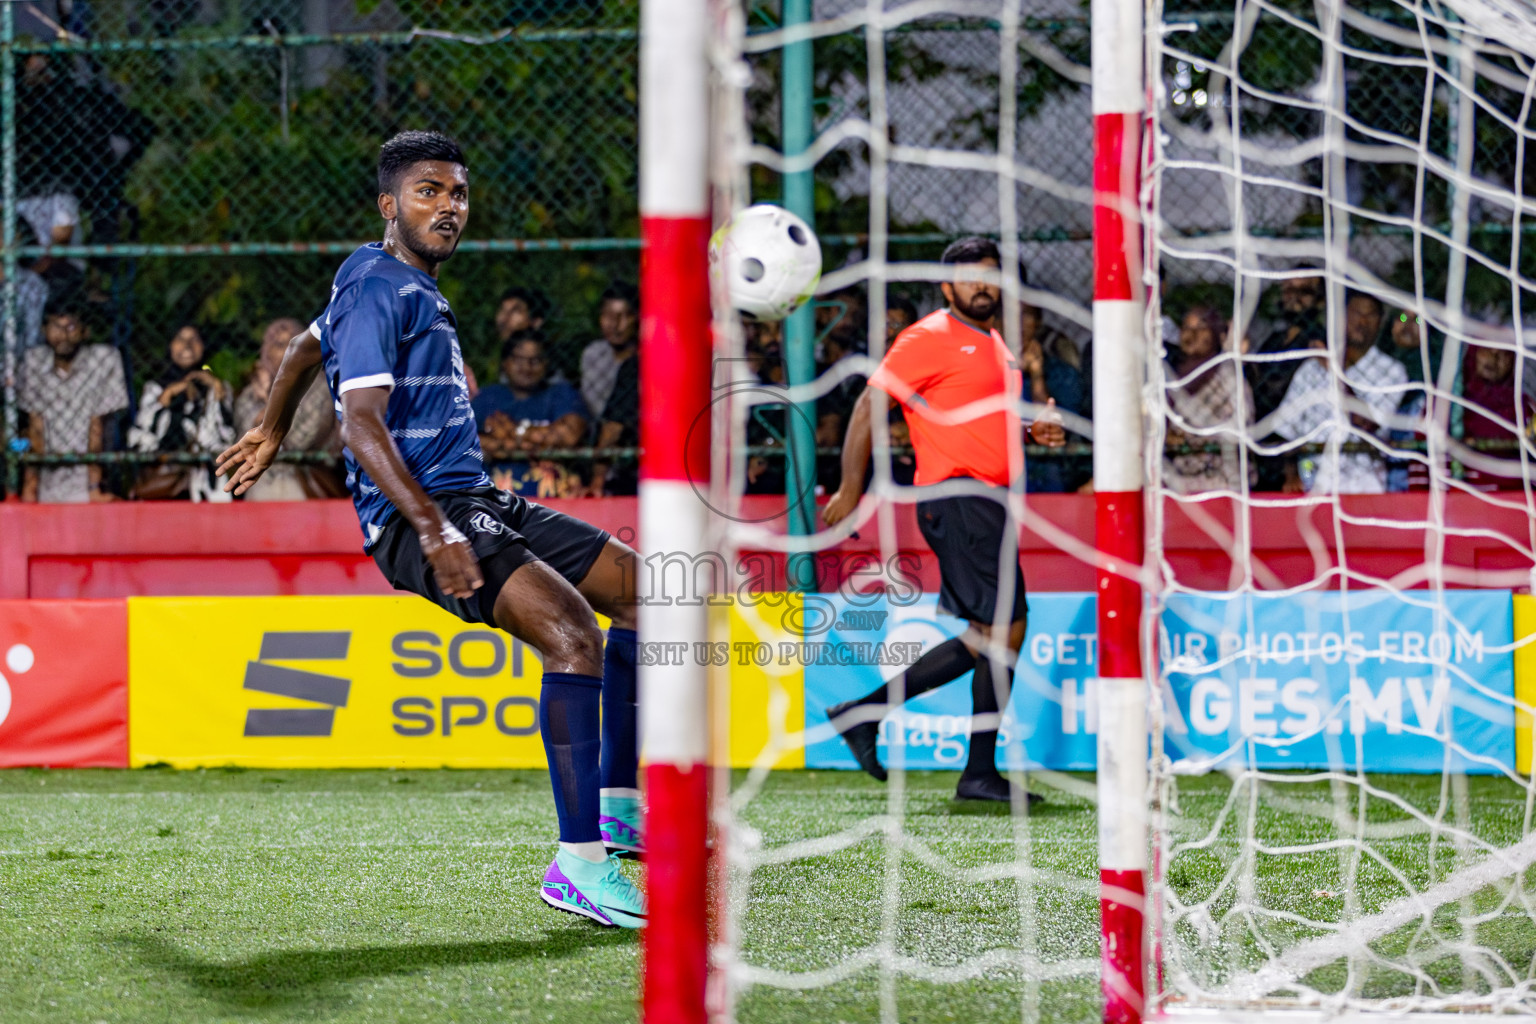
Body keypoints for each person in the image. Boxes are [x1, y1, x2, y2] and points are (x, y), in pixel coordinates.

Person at [216, 131, 645, 928]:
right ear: (389, 205)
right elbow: (362, 426)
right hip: (425, 515)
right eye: (429, 193)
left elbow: (311, 343)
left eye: (457, 194)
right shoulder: (379, 285)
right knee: (572, 634)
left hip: (472, 499)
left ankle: (616, 808)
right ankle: (580, 867)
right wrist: (434, 531)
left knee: (640, 591)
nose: (449, 208)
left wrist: (271, 426)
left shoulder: (382, 281)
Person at [821, 237, 1067, 803]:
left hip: (987, 502)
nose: (983, 286)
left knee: (989, 636)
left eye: (991, 277)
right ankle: (976, 773)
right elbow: (867, 405)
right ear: (947, 286)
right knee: (1004, 631)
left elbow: (984, 421)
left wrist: (1033, 431)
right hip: (959, 498)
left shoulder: (997, 343)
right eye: (971, 277)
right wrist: (851, 488)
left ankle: (864, 715)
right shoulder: (928, 337)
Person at [1272, 291, 1409, 494]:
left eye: (1370, 315)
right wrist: (1291, 476)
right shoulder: (1311, 368)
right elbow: (1287, 430)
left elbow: (1366, 424)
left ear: (1380, 322)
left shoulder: (1391, 370)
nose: (1361, 321)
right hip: (1312, 482)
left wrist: (1333, 371)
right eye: (1355, 313)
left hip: (1364, 486)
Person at [18, 297, 128, 503]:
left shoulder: (103, 359)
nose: (63, 334)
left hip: (91, 473)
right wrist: (31, 487)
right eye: (55, 326)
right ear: (44, 330)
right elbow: (35, 427)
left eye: (71, 326)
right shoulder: (34, 361)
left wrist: (94, 487)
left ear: (85, 331)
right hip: (48, 475)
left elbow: (99, 426)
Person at [233, 317, 343, 501]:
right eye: (278, 344)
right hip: (261, 481)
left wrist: (270, 402)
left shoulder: (319, 386)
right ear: (267, 350)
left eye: (294, 342)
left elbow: (300, 441)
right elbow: (243, 445)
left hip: (304, 479)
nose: (287, 350)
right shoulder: (252, 391)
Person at [473, 330, 588, 498]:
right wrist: (528, 442)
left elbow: (569, 435)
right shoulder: (488, 398)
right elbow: (459, 438)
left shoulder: (561, 394)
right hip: (495, 502)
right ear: (505, 363)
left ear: (546, 363)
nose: (527, 367)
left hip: (557, 502)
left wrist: (514, 432)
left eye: (535, 360)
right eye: (519, 359)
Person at [128, 324, 235, 502]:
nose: (187, 345)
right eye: (180, 339)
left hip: (205, 484)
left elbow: (223, 440)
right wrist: (168, 395)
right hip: (164, 478)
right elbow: (141, 440)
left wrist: (217, 394)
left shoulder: (217, 389)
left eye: (194, 339)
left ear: (204, 347)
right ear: (170, 346)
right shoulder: (155, 389)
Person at [1163, 306, 1255, 494]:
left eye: (1201, 328)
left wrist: (1192, 436)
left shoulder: (1228, 375)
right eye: (1187, 328)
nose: (1192, 334)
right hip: (1179, 473)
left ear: (1215, 334)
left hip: (1220, 474)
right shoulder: (1174, 376)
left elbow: (1243, 424)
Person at [1458, 342, 1536, 490]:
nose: (1493, 358)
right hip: (1457, 502)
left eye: (1503, 353)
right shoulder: (1449, 402)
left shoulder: (1524, 407)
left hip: (1513, 502)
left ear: (1513, 361)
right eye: (1486, 350)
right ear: (1473, 353)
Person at [578, 282, 638, 422]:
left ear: (636, 317)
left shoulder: (647, 359)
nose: (615, 324)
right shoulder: (592, 354)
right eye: (608, 315)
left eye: (623, 316)